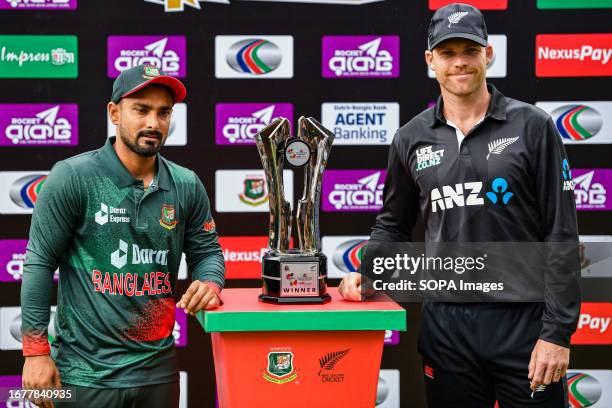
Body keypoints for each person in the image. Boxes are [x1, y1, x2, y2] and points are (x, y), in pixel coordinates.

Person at [338, 4, 580, 407]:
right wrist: (371, 272)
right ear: (430, 60)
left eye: (469, 50)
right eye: (448, 53)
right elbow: (394, 224)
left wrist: (556, 333)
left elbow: (561, 232)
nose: (460, 63)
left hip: (523, 324)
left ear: (488, 53)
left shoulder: (533, 126)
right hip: (446, 329)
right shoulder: (410, 136)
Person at [20, 64, 225, 408]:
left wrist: (210, 281)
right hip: (82, 373)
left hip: (158, 371)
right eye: (141, 110)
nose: (153, 124)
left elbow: (207, 252)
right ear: (114, 113)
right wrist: (35, 353)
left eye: (163, 113)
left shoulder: (186, 183)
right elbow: (39, 262)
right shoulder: (72, 177)